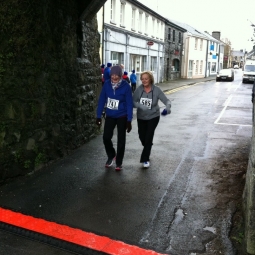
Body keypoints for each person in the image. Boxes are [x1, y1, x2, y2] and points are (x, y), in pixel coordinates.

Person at [96, 65, 133, 171]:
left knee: (121, 139)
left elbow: (129, 104)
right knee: (106, 137)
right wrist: (98, 116)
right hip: (110, 115)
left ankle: (119, 162)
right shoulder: (107, 84)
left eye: (116, 75)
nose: (114, 77)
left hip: (122, 115)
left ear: (120, 75)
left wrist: (129, 120)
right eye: (112, 75)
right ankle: (111, 155)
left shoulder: (126, 86)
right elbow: (102, 100)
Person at [133, 71, 171, 168]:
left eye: (146, 78)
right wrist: (140, 106)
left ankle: (145, 159)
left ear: (150, 79)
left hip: (153, 116)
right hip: (141, 117)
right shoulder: (139, 90)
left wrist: (167, 107)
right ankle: (148, 144)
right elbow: (132, 102)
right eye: (142, 79)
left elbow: (166, 100)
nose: (144, 81)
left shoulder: (156, 90)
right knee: (143, 138)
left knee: (149, 136)